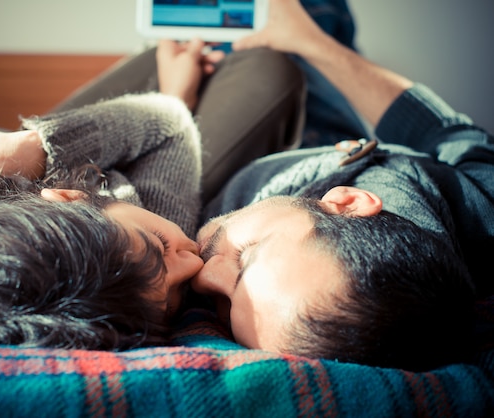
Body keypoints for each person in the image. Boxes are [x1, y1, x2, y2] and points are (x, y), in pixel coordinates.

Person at [0, 40, 306, 350]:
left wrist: (26, 152)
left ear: (68, 197)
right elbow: (172, 126)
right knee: (266, 68)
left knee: (166, 52)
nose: (195, 263)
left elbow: (167, 124)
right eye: (175, 302)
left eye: (162, 248)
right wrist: (175, 94)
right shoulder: (141, 251)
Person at [188, 0, 492, 371]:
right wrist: (312, 43)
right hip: (346, 141)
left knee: (265, 61)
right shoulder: (482, 209)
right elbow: (447, 131)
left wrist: (180, 97)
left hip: (251, 153)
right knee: (324, 16)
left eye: (226, 307)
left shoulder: (194, 228)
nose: (204, 276)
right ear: (347, 203)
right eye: (247, 256)